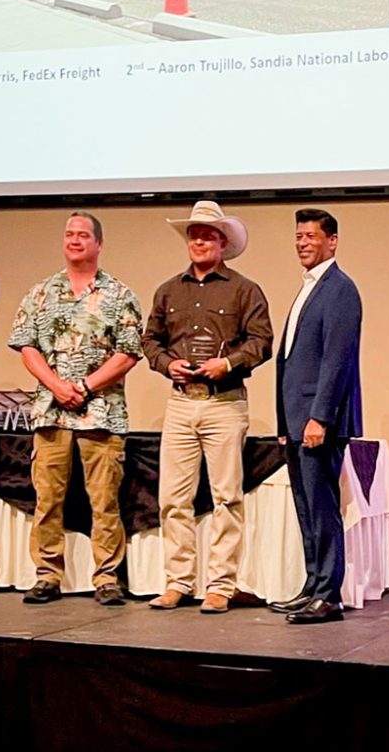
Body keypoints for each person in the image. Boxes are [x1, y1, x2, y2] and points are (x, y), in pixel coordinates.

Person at [143, 201, 273, 614]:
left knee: (226, 497)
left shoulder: (244, 289)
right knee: (173, 499)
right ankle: (177, 581)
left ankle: (221, 585)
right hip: (181, 404)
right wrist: (167, 365)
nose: (199, 240)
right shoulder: (168, 290)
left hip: (225, 403)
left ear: (222, 241)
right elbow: (150, 341)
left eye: (207, 234)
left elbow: (262, 341)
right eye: (193, 234)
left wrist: (228, 364)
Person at [8, 212, 143, 607]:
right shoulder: (40, 292)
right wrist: (56, 386)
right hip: (51, 413)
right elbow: (26, 346)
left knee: (104, 500)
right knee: (47, 498)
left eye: (83, 235)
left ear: (98, 244)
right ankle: (47, 575)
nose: (75, 240)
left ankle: (106, 578)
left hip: (102, 413)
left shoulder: (119, 294)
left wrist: (84, 386)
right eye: (69, 234)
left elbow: (129, 352)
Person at [273, 209, 362, 624]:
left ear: (333, 241)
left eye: (310, 236)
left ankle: (328, 594)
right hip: (296, 421)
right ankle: (312, 586)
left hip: (317, 422)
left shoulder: (340, 289)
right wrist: (283, 424)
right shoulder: (309, 288)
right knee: (306, 507)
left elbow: (336, 361)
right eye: (298, 236)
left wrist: (319, 418)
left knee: (322, 507)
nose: (303, 243)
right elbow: (289, 362)